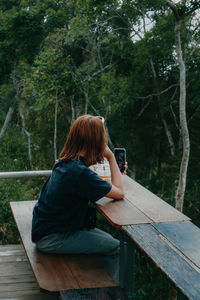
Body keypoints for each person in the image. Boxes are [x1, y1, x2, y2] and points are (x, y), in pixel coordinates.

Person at [31, 115, 125, 283]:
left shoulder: (65, 163)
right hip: (54, 238)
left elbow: (92, 180)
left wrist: (115, 171)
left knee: (108, 241)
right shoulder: (80, 173)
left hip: (45, 229)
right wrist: (111, 158)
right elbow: (119, 193)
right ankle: (108, 292)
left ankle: (98, 283)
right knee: (116, 247)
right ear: (95, 142)